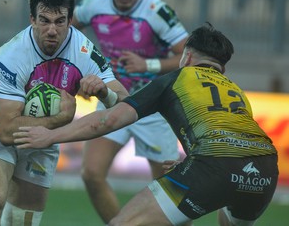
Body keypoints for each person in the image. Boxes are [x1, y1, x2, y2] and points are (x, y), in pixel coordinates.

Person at [14, 23, 279, 226]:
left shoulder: (177, 78)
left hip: (215, 165)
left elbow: (109, 119)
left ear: (186, 56)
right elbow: (229, 136)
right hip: (265, 170)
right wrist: (195, 162)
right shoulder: (237, 91)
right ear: (223, 67)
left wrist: (50, 136)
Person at [0, 0, 128, 226]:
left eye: (60, 21)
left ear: (70, 20)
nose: (52, 30)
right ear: (32, 19)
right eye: (44, 20)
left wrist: (105, 93)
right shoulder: (11, 56)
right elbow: (6, 130)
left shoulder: (83, 50)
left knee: (24, 221)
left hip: (45, 136)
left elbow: (124, 101)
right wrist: (59, 120)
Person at [71, 0, 188, 222]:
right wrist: (77, 74)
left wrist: (147, 64)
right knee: (91, 173)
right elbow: (67, 32)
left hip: (155, 106)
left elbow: (187, 55)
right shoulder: (93, 4)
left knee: (170, 189)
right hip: (114, 100)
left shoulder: (157, 11)